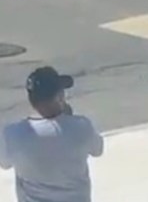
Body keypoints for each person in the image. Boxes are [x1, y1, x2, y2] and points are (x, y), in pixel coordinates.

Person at [0, 66, 104, 202]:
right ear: (59, 96)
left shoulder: (12, 134)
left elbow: (5, 164)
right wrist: (68, 117)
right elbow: (97, 150)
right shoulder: (81, 126)